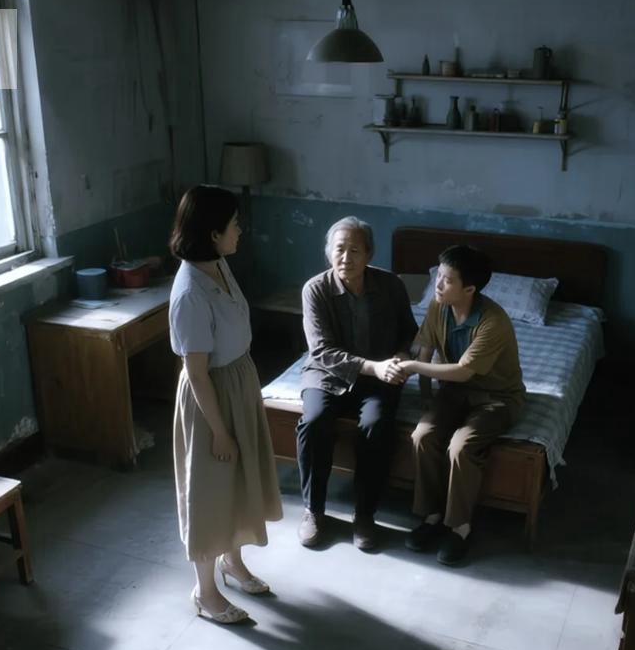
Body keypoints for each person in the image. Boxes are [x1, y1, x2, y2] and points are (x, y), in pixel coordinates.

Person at [168, 185, 283, 624]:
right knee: (210, 491)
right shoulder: (190, 293)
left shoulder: (218, 264)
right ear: (213, 233)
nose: (240, 230)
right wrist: (218, 431)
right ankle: (205, 592)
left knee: (237, 481)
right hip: (211, 396)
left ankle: (232, 563)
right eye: (234, 224)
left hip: (238, 381)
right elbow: (197, 372)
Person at [395, 245, 526, 565]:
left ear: (469, 289)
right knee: (423, 435)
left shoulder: (493, 322)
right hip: (454, 392)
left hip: (497, 398)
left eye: (447, 280)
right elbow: (426, 348)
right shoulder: (438, 306)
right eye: (438, 276)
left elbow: (464, 371)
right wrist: (426, 396)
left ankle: (460, 527)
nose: (438, 285)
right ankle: (432, 516)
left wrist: (412, 368)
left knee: (461, 446)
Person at [296, 217, 418, 551]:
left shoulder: (391, 285)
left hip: (379, 375)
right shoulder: (315, 289)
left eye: (354, 250)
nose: (346, 257)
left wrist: (400, 357)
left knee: (377, 425)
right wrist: (373, 367)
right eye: (339, 249)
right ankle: (313, 510)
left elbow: (409, 332)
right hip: (327, 373)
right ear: (328, 252)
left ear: (369, 254)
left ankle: (364, 515)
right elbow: (321, 351)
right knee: (314, 422)